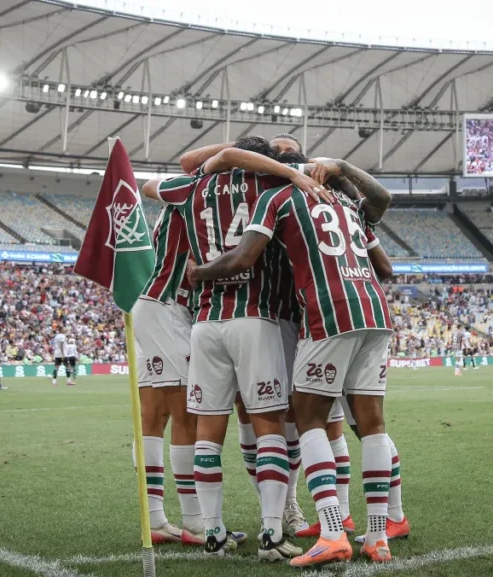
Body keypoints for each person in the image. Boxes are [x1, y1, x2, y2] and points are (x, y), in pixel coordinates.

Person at [188, 153, 396, 566]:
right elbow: (384, 220)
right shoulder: (345, 201)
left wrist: (199, 273)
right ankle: (377, 536)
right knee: (372, 427)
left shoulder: (277, 197)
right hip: (376, 313)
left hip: (330, 312)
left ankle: (333, 531)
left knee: (308, 419)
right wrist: (343, 167)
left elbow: (243, 258)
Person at [141, 137, 324, 560]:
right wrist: (292, 169)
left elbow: (152, 185)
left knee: (208, 434)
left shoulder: (193, 189)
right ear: (263, 160)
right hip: (254, 319)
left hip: (205, 322)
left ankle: (213, 534)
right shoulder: (270, 187)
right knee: (270, 428)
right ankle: (273, 533)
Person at [128, 194, 200, 545]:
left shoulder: (180, 202)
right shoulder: (198, 196)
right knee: (187, 415)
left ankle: (154, 520)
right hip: (167, 308)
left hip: (152, 304)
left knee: (152, 416)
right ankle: (195, 523)